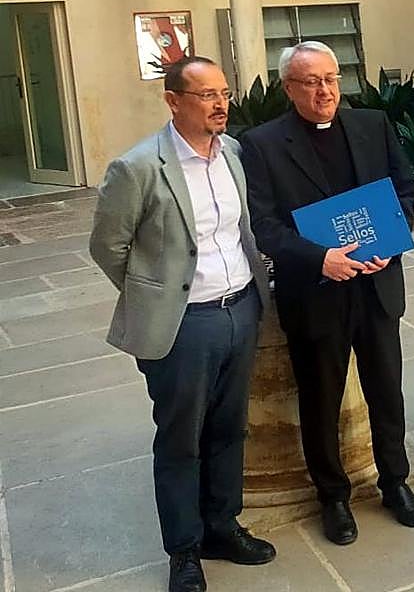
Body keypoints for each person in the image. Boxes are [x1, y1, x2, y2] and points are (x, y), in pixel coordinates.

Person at [90, 56, 276, 592]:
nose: (221, 104)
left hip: (240, 310)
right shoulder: (138, 167)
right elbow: (107, 246)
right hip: (184, 325)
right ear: (173, 101)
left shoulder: (233, 153)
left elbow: (241, 230)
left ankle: (222, 527)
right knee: (181, 440)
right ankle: (184, 551)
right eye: (206, 95)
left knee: (229, 429)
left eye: (224, 93)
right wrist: (157, 294)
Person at [240, 41, 414, 544]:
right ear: (289, 88)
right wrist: (320, 257)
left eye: (330, 79)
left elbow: (404, 188)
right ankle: (333, 498)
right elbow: (264, 225)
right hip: (316, 290)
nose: (324, 90)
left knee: (386, 390)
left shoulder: (372, 124)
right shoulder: (261, 144)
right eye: (311, 82)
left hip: (376, 285)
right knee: (320, 398)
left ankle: (395, 482)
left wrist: (390, 240)